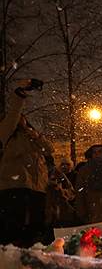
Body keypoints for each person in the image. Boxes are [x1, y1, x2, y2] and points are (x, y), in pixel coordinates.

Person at [0, 79, 53, 246]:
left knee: (35, 229)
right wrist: (20, 93)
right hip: (14, 186)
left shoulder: (32, 138)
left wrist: (34, 135)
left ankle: (30, 259)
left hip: (37, 189)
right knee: (14, 227)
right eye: (18, 118)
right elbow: (14, 112)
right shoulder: (6, 134)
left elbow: (49, 149)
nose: (20, 119)